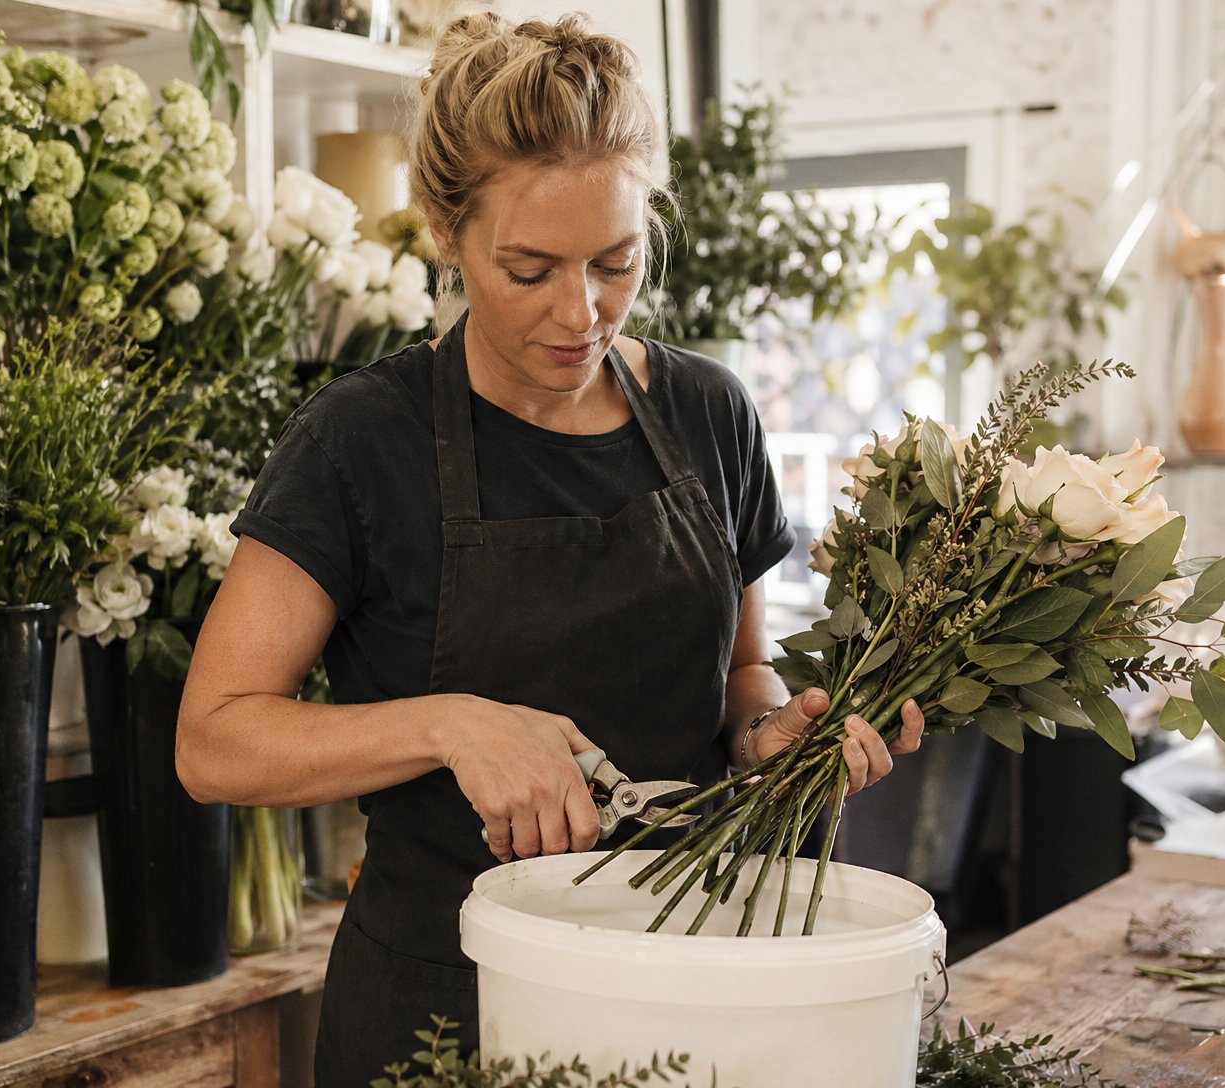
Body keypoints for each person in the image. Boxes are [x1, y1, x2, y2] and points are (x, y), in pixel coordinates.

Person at [175, 12, 924, 1085]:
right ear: (445, 230)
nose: (583, 312)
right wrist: (450, 725)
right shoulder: (359, 443)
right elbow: (213, 742)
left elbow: (737, 678)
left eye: (615, 263)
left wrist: (773, 737)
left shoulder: (710, 412)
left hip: (692, 985)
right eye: (529, 269)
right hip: (448, 1006)